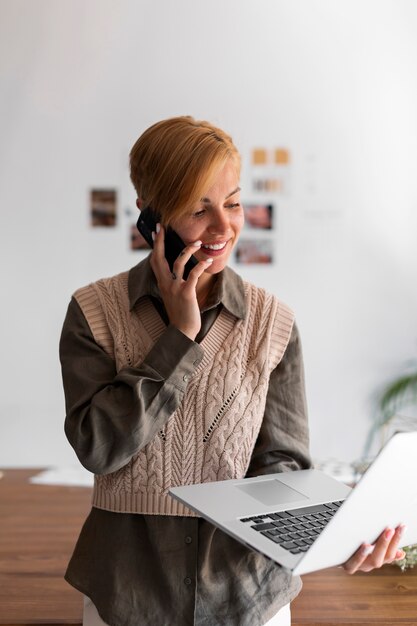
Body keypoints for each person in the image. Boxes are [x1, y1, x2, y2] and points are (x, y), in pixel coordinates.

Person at [60, 116, 406, 626]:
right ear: (150, 215)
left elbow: (283, 467)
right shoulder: (93, 313)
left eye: (234, 203)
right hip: (126, 595)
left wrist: (337, 535)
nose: (224, 228)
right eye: (200, 208)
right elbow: (98, 448)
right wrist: (176, 340)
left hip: (251, 599)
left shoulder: (274, 323)